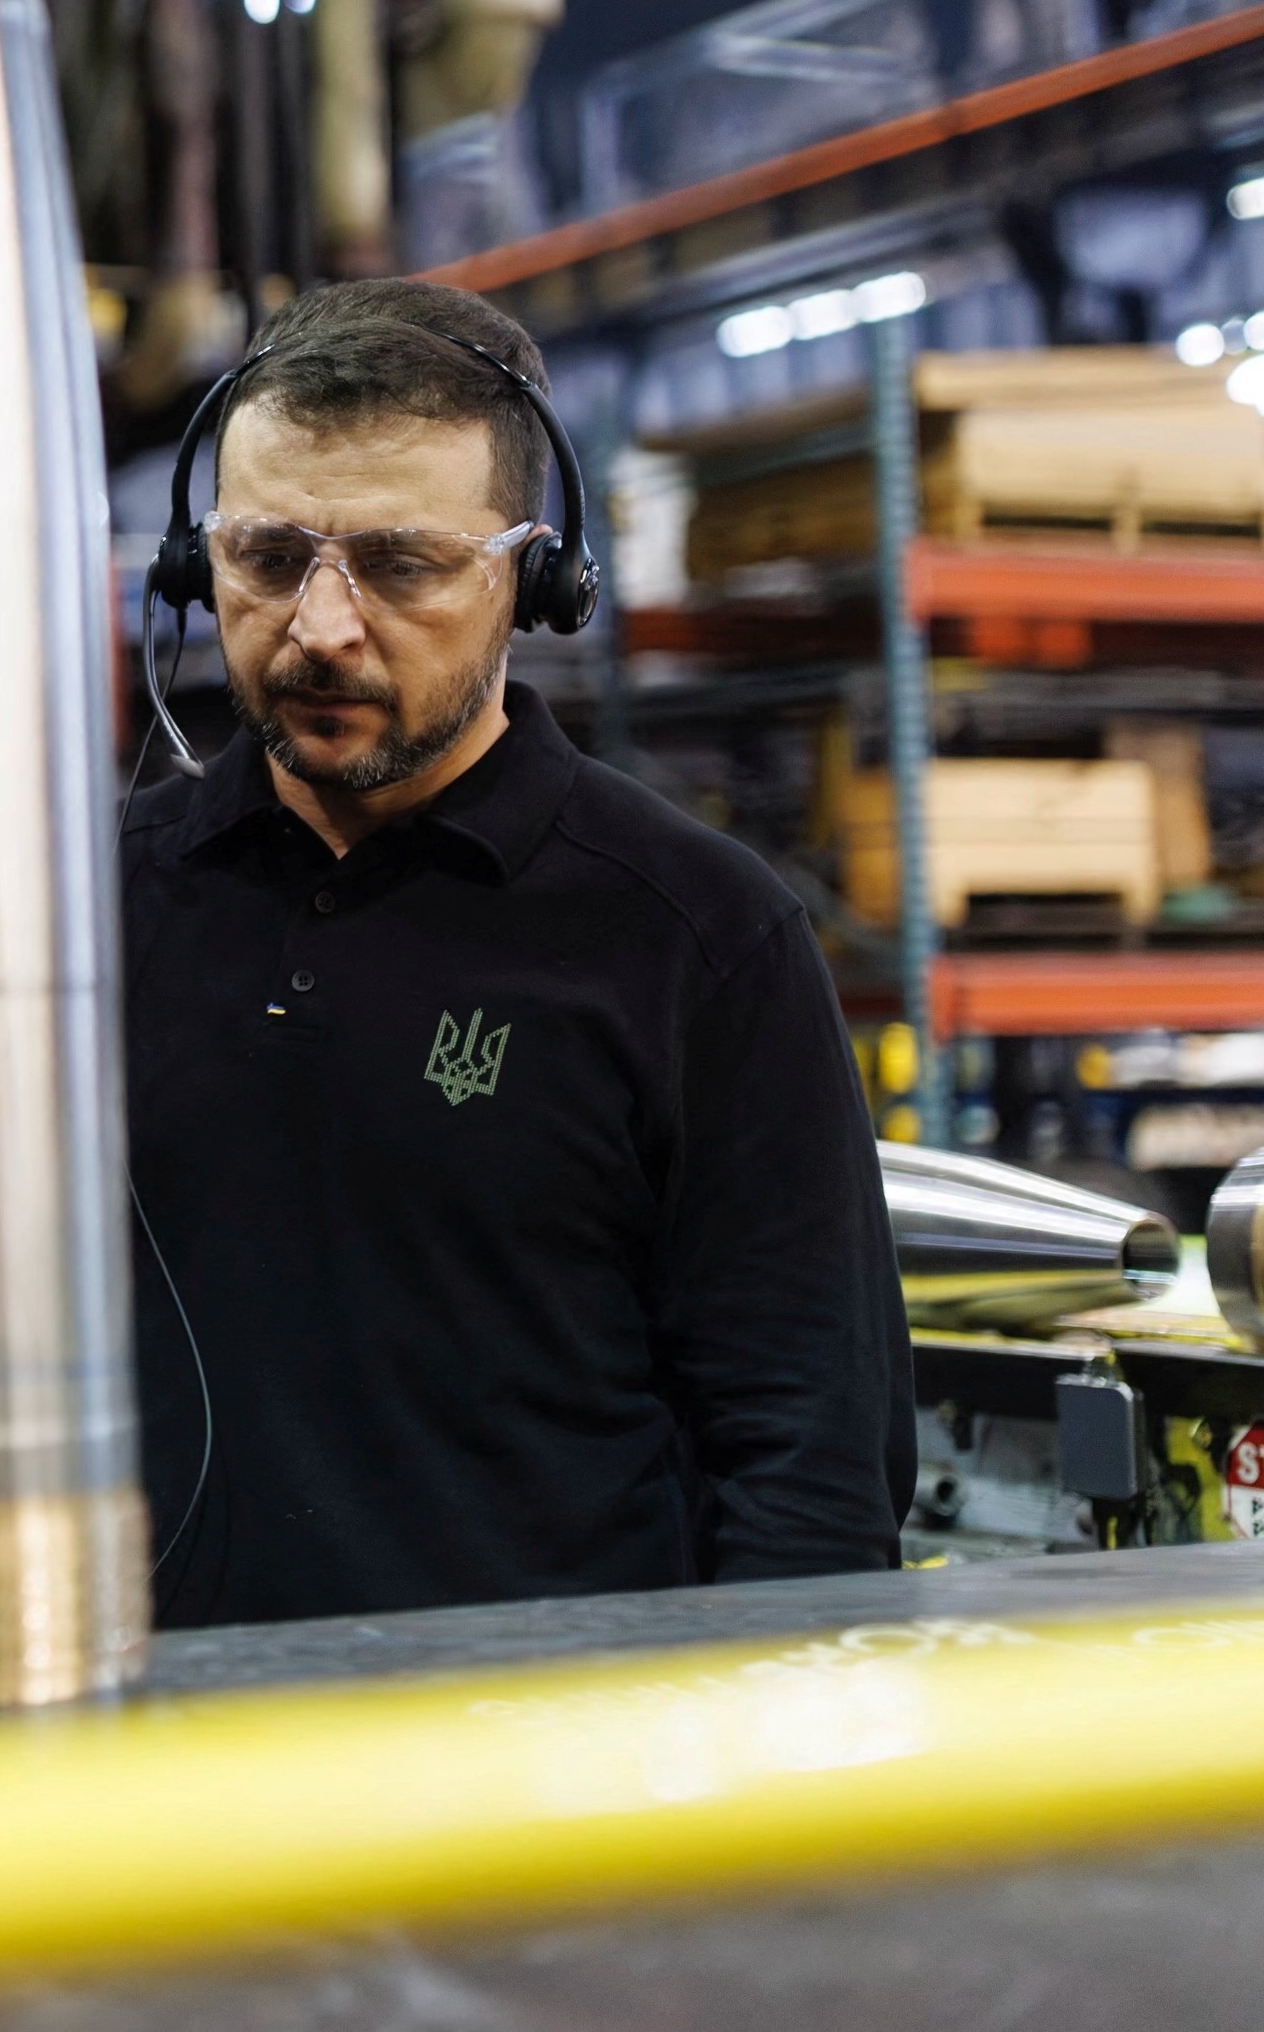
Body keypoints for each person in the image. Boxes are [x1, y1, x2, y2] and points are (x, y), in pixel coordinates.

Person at [127, 277, 909, 1631]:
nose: (319, 627)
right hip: (155, 1790)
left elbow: (812, 1466)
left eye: (401, 565)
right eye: (265, 561)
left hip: (548, 1796)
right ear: (199, 566)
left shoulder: (700, 940)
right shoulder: (84, 911)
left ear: (537, 578)